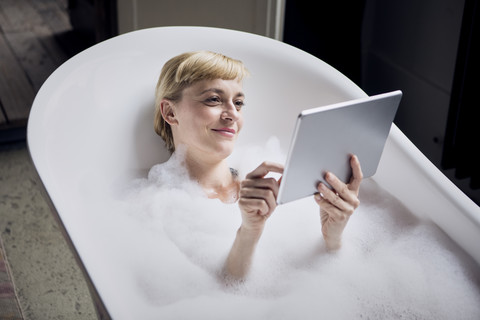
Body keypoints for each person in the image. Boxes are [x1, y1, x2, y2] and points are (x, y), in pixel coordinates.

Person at [154, 51, 363, 279]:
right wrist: (250, 230)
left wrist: (333, 239)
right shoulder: (160, 209)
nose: (233, 114)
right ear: (170, 112)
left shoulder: (277, 185)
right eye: (213, 99)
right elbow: (221, 300)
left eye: (239, 102)